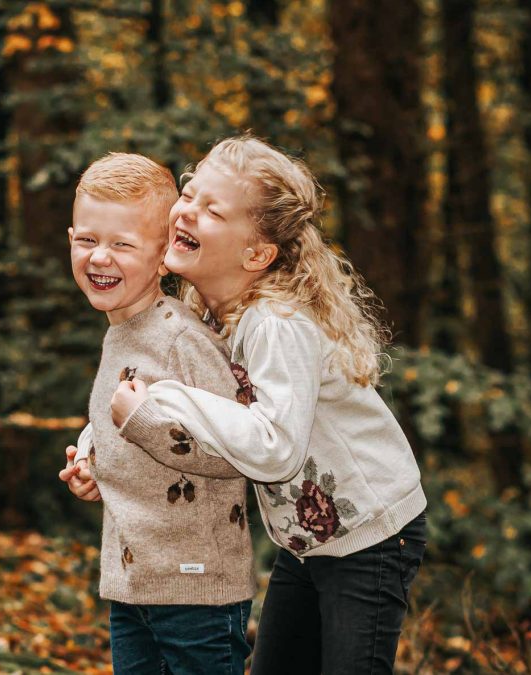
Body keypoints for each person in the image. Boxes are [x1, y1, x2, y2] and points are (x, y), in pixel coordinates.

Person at [111, 135, 429, 675]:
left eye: (213, 210)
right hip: (305, 544)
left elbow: (274, 448)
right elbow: (142, 388)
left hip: (370, 537)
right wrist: (99, 450)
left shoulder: (276, 324)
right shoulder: (209, 315)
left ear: (256, 254)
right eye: (190, 193)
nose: (186, 209)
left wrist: (171, 399)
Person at [58, 152, 255, 674]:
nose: (100, 258)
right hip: (131, 585)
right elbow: (129, 421)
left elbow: (237, 451)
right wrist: (93, 461)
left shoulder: (181, 337)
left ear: (164, 253)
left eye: (122, 244)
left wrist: (141, 424)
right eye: (87, 240)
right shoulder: (122, 331)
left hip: (198, 592)